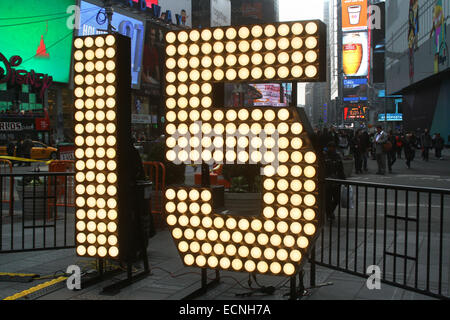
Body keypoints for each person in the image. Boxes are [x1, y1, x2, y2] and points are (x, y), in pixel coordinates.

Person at [324, 142, 346, 222]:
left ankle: (330, 212)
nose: (332, 149)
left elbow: (341, 169)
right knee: (327, 199)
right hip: (327, 181)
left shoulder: (337, 157)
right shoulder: (324, 156)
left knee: (336, 199)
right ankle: (329, 213)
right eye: (330, 147)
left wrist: (344, 180)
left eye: (333, 147)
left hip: (336, 181)